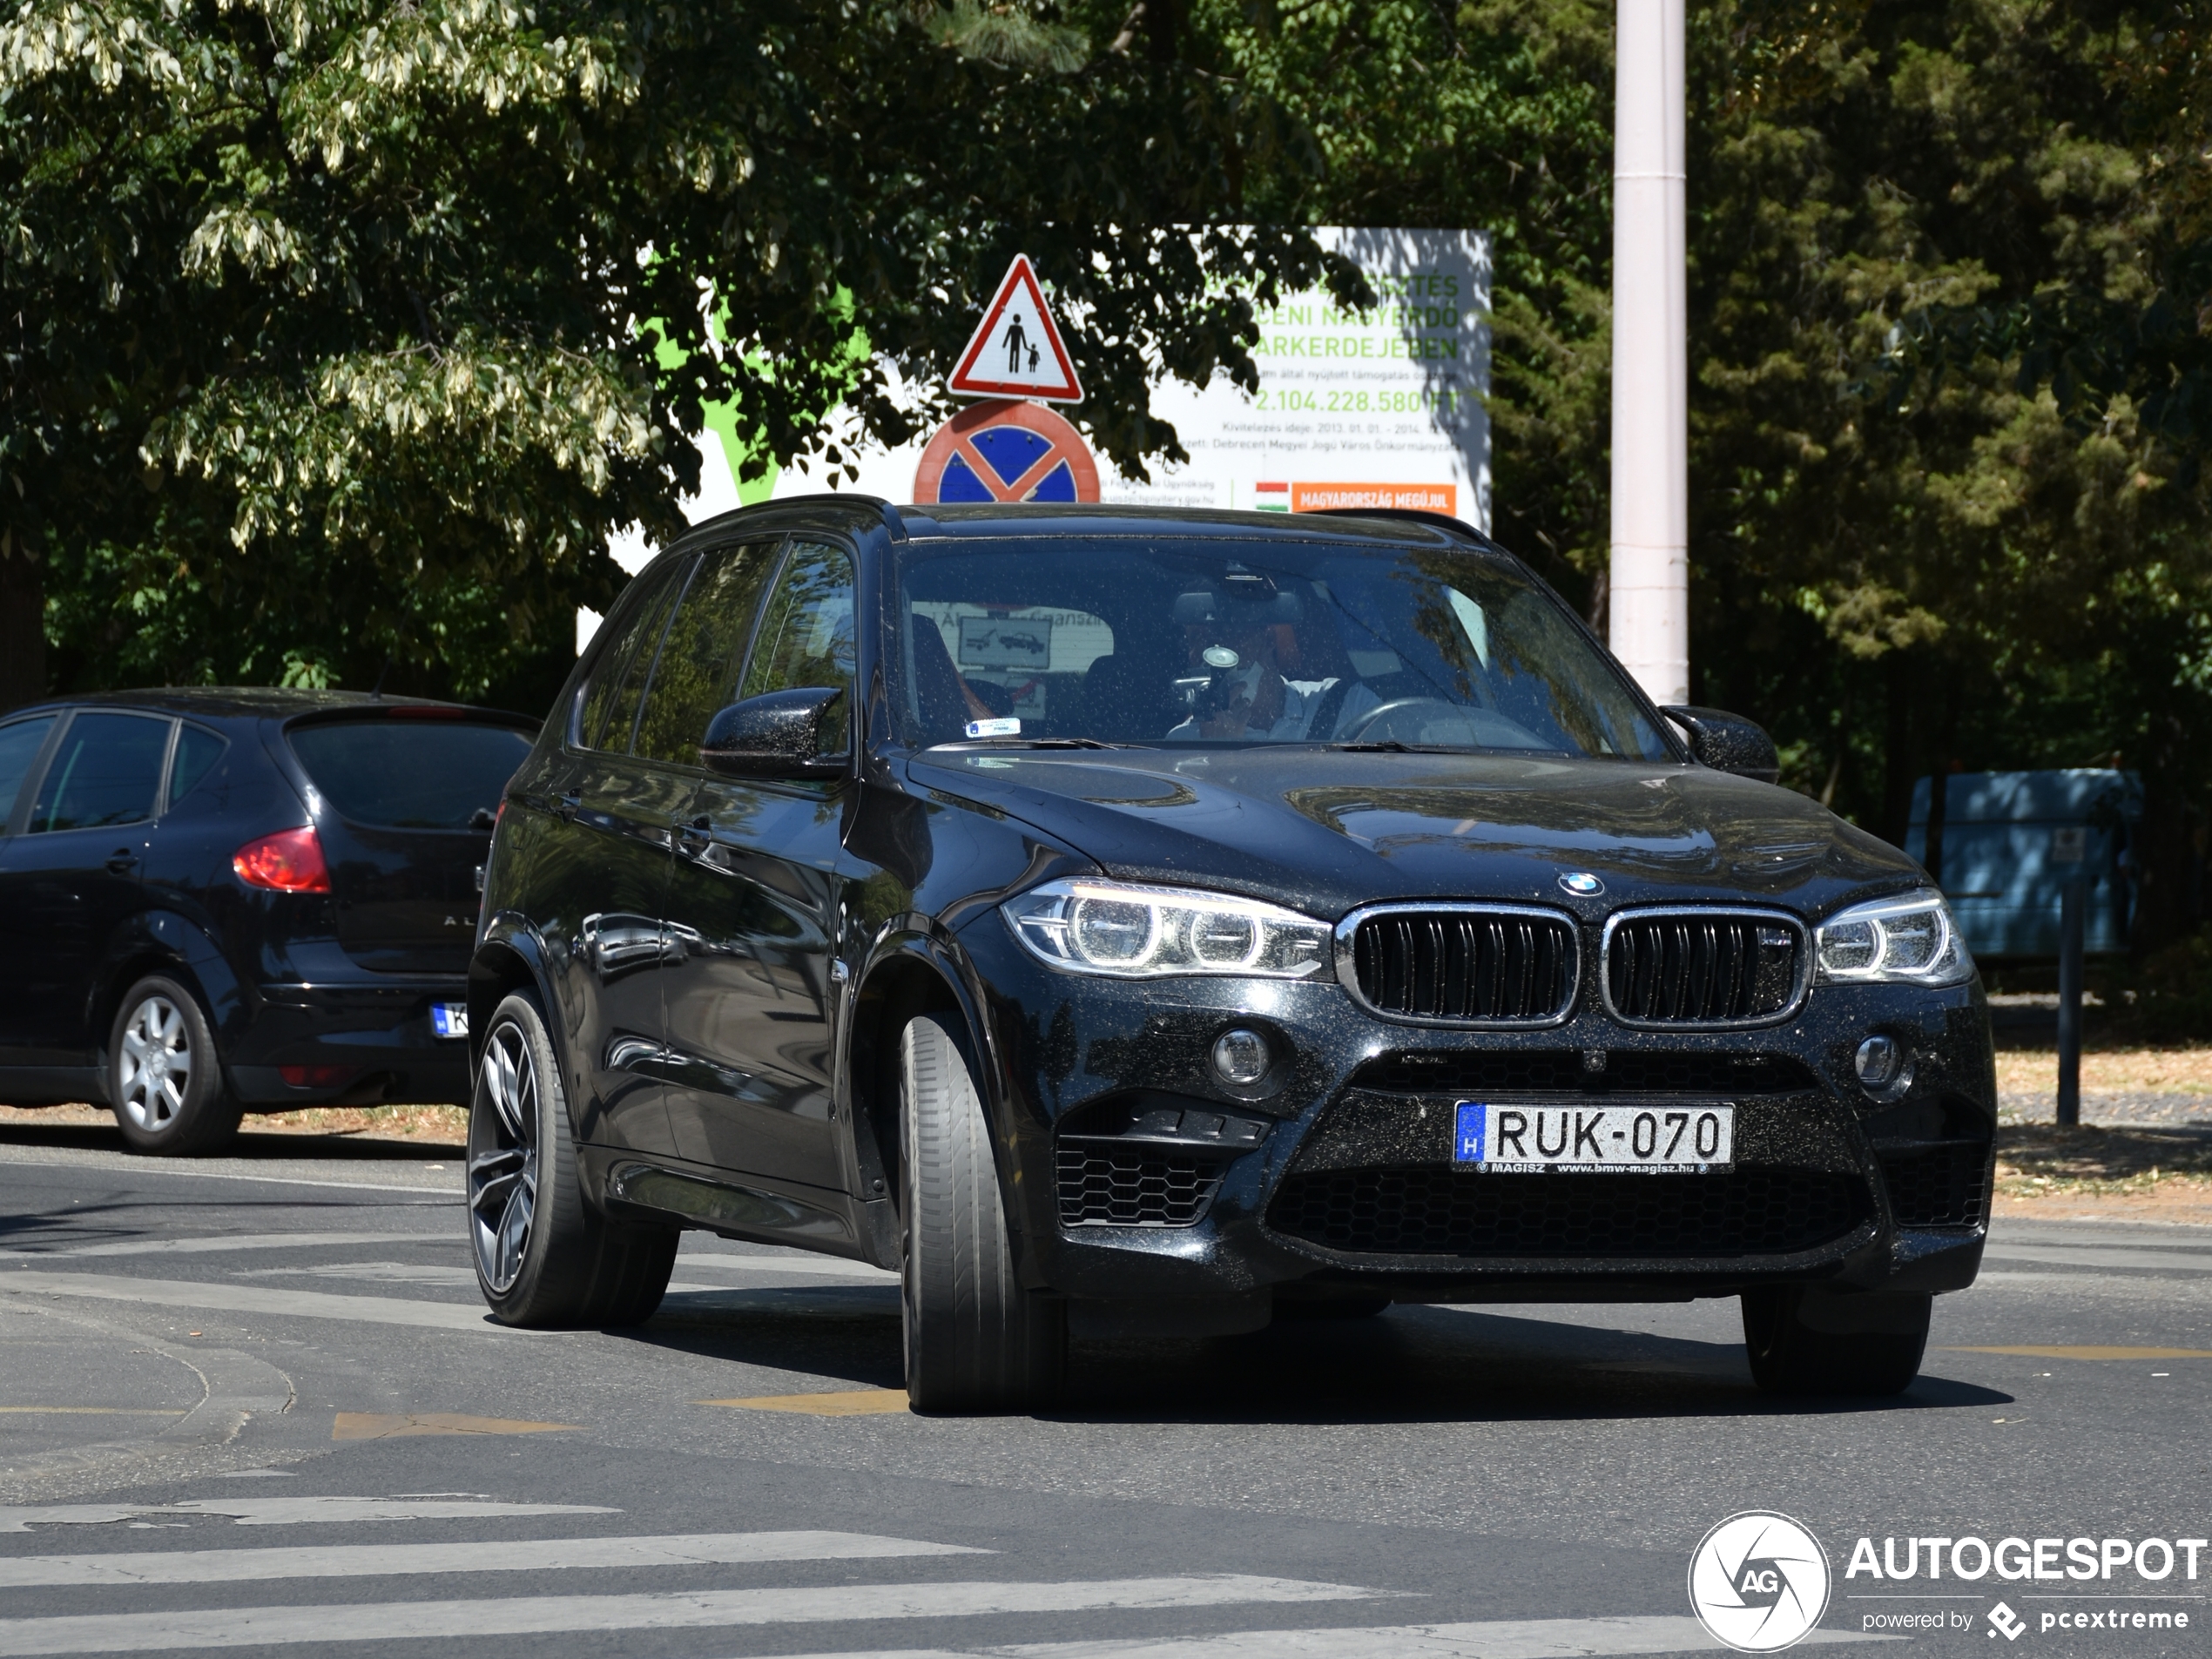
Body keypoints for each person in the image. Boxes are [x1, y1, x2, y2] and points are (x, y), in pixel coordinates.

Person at [1164, 590, 1382, 742]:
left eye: (1223, 634)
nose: (1208, 653)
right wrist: (1215, 751)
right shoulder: (1183, 741)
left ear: (1268, 639)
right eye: (1196, 639)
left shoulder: (1348, 707)